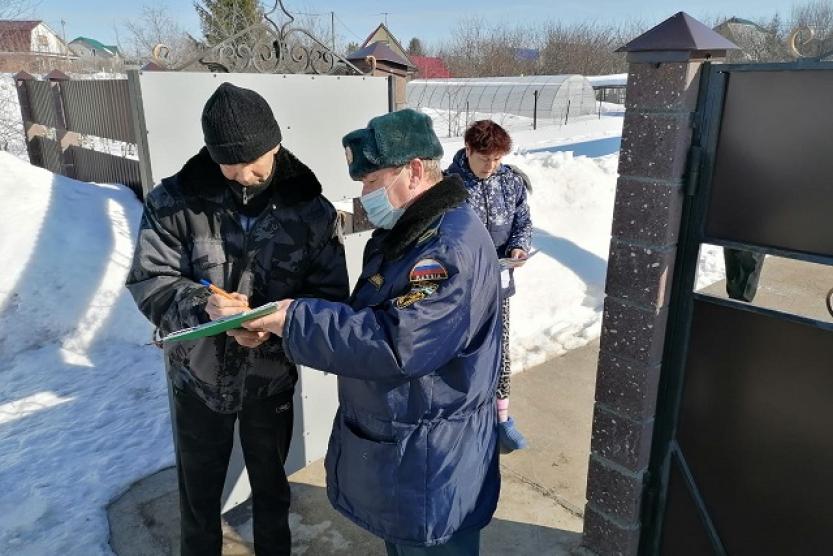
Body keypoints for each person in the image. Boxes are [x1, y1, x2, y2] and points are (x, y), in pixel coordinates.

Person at [240, 109, 502, 555]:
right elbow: (368, 315)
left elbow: (394, 343)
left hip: (432, 465)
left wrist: (295, 320)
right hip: (410, 455)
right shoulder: (409, 231)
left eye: (372, 181)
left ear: (415, 171)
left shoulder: (446, 248)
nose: (364, 196)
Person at [125, 82, 349, 556]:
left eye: (256, 161)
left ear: (276, 143)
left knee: (272, 492)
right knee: (198, 499)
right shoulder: (174, 201)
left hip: (270, 383)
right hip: (197, 380)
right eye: (230, 163)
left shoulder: (312, 210)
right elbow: (150, 280)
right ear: (210, 154)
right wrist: (199, 305)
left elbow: (328, 299)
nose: (245, 174)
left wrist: (272, 331)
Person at [445, 120, 533, 454]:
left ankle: (502, 421)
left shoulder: (510, 181)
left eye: (496, 159)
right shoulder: (448, 185)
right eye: (485, 159)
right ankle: (462, 422)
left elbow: (523, 222)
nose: (491, 166)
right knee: (461, 352)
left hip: (498, 284)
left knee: (500, 351)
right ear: (468, 150)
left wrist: (518, 247)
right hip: (460, 289)